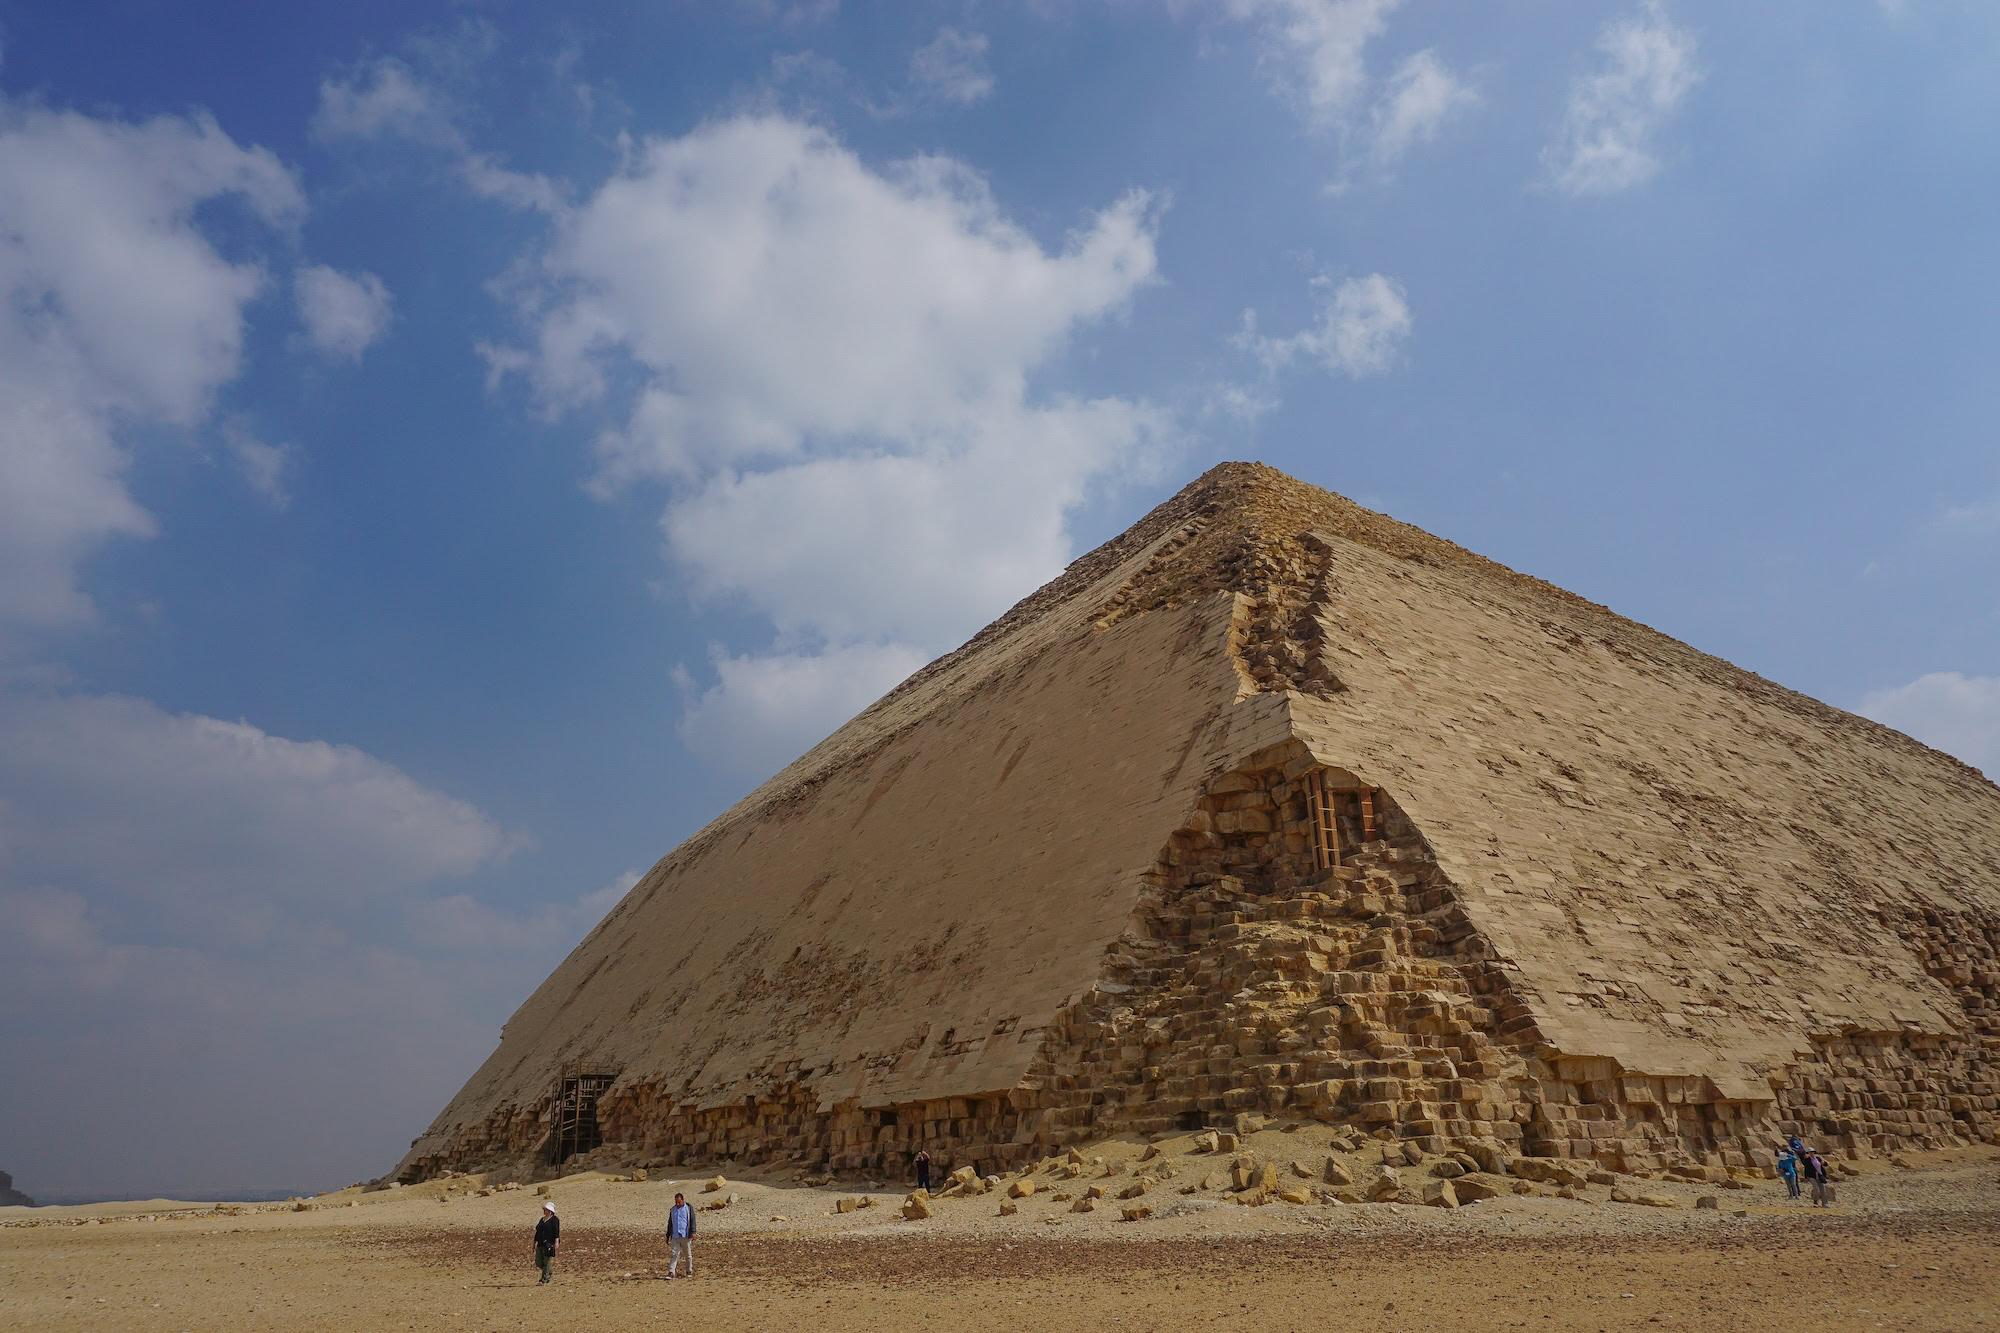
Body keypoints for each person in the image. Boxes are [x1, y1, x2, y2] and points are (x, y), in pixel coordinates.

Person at [665, 1191, 696, 1279]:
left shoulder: (688, 1208)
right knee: (674, 1254)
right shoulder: (673, 1210)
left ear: (683, 1200)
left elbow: (692, 1220)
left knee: (688, 1254)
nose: (677, 1204)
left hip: (685, 1235)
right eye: (676, 1202)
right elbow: (670, 1223)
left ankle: (689, 1270)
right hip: (675, 1236)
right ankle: (671, 1272)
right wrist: (667, 1236)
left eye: (679, 1202)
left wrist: (693, 1232)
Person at [533, 1201, 560, 1284]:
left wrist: (556, 1242)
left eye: (546, 1209)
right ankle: (549, 1272)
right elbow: (538, 1232)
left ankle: (543, 1279)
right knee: (538, 1262)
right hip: (540, 1243)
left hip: (549, 1243)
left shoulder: (554, 1219)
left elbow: (556, 1231)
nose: (544, 1211)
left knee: (547, 1261)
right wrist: (534, 1243)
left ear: (550, 1210)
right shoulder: (542, 1219)